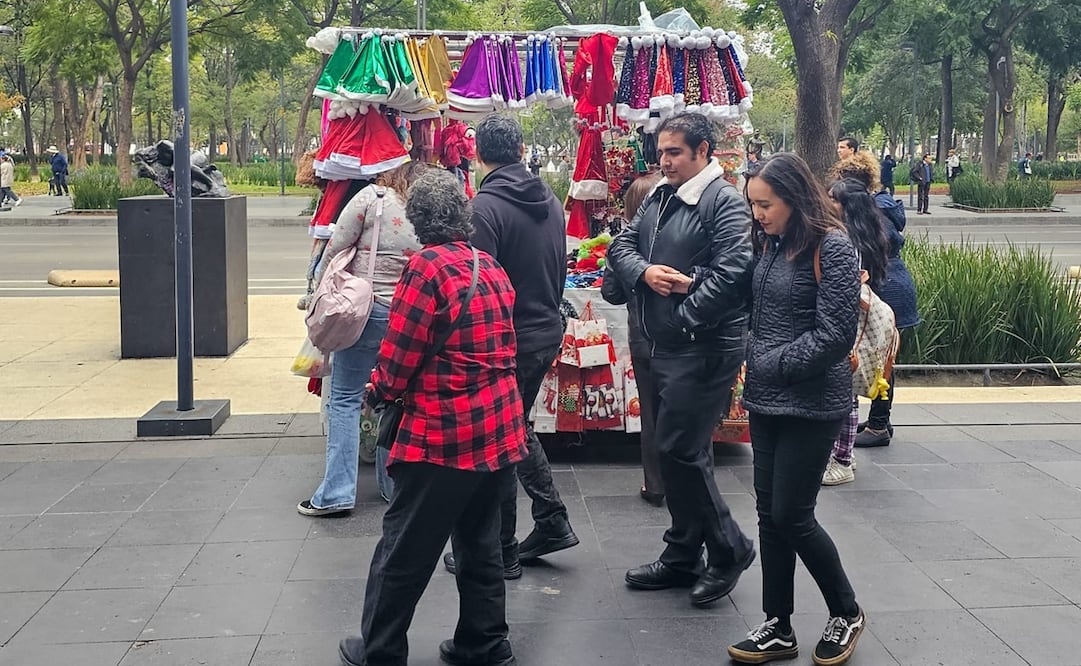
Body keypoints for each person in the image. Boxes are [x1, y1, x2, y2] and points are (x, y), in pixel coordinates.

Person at [339, 169, 527, 666]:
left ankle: (379, 649)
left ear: (417, 220)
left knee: (404, 549)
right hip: (499, 428)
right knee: (481, 544)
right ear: (463, 215)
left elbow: (399, 357)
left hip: (445, 433)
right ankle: (485, 643)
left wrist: (375, 391)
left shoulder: (424, 269)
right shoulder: (489, 265)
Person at [608, 111, 756, 607]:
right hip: (668, 345)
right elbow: (622, 245)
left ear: (703, 152)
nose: (663, 160)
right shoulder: (660, 194)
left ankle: (729, 548)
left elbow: (735, 272)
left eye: (675, 152)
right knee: (678, 452)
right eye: (662, 151)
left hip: (703, 347)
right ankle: (682, 553)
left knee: (679, 451)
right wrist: (646, 273)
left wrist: (684, 317)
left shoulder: (724, 202)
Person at [729, 152, 865, 665]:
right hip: (766, 400)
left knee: (793, 514)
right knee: (768, 515)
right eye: (754, 205)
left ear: (794, 197)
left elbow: (834, 335)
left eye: (766, 204)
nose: (759, 214)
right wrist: (750, 350)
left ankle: (846, 611)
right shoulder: (770, 244)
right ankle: (777, 624)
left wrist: (773, 363)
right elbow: (754, 312)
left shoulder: (833, 248)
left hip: (812, 402)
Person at [442, 114, 578, 580]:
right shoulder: (551, 201)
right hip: (544, 330)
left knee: (499, 439)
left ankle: (502, 549)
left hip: (509, 341)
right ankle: (551, 519)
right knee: (515, 428)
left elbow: (481, 288)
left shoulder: (484, 208)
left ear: (478, 154)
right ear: (520, 150)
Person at [297, 161, 427, 517]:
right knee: (398, 399)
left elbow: (335, 248)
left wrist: (317, 292)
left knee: (344, 399)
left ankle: (337, 492)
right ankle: (395, 487)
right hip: (407, 316)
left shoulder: (373, 198)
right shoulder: (424, 208)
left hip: (366, 313)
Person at [828, 153, 920, 449]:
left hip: (885, 293)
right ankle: (881, 419)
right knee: (882, 358)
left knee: (881, 359)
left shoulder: (869, 215)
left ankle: (879, 424)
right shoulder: (881, 207)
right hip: (893, 288)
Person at [821, 178, 891, 486]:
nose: (827, 203)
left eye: (833, 199)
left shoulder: (847, 243)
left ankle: (842, 460)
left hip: (849, 329)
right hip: (853, 328)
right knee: (846, 396)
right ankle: (841, 456)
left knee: (846, 398)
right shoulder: (865, 238)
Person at [601, 171, 665, 506]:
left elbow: (610, 294)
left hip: (643, 339)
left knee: (652, 413)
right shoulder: (677, 234)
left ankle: (654, 484)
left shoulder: (624, 243)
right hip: (682, 338)